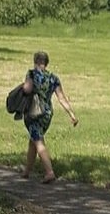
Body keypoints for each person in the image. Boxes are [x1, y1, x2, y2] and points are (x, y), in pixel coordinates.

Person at [21, 51, 78, 183]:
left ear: (35, 61)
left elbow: (27, 89)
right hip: (46, 114)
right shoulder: (54, 78)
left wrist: (23, 87)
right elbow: (61, 98)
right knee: (33, 140)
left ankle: (49, 172)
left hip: (34, 113)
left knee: (38, 141)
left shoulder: (31, 74)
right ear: (46, 63)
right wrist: (71, 114)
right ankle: (27, 171)